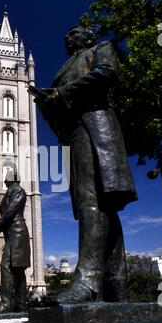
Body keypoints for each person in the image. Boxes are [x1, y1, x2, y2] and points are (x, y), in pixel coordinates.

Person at [34, 25, 138, 304]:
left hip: (96, 125)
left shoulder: (100, 49)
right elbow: (60, 105)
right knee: (99, 205)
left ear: (87, 37)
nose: (67, 36)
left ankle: (89, 281)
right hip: (74, 133)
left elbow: (108, 73)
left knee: (92, 199)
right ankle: (115, 287)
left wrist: (63, 92)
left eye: (74, 32)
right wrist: (48, 102)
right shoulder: (66, 66)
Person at [0, 170, 31, 313]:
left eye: (6, 178)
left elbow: (9, 212)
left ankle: (6, 303)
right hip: (11, 233)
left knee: (8, 266)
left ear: (12, 179)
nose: (4, 181)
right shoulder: (11, 192)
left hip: (17, 233)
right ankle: (20, 304)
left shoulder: (18, 191)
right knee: (16, 269)